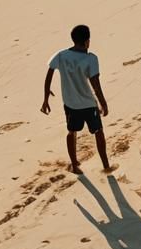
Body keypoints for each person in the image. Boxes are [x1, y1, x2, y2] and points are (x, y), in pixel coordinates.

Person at [41, 24, 112, 174]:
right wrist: (103, 103)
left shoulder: (61, 55)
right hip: (88, 104)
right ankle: (106, 165)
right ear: (87, 41)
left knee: (71, 131)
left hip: (70, 104)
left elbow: (49, 72)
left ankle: (74, 165)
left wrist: (46, 97)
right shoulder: (91, 59)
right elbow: (95, 84)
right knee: (98, 131)